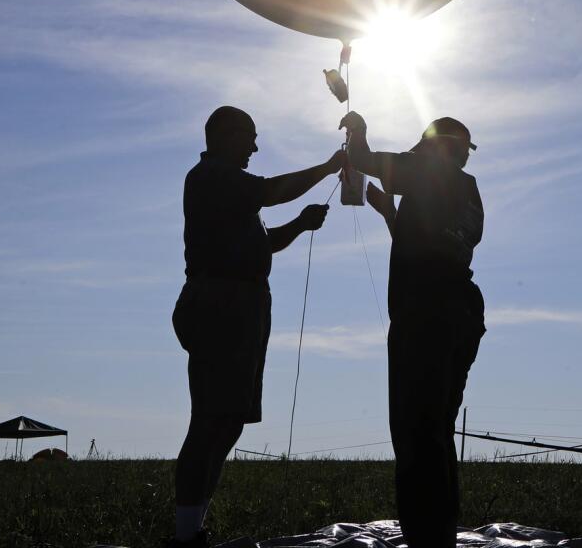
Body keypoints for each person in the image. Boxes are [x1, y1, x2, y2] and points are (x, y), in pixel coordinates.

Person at [169, 106, 343, 547]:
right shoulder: (212, 177)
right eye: (250, 137)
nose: (255, 147)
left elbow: (262, 243)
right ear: (225, 136)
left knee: (229, 422)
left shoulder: (227, 188)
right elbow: (270, 191)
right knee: (210, 420)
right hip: (219, 308)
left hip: (240, 308)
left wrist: (301, 225)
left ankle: (194, 527)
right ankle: (186, 534)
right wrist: (328, 167)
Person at [342, 110, 484, 548]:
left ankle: (424, 536)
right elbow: (434, 246)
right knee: (437, 429)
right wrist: (391, 215)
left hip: (424, 315)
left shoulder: (424, 169)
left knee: (414, 429)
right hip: (461, 312)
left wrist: (358, 129)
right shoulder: (467, 188)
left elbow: (364, 159)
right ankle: (440, 532)